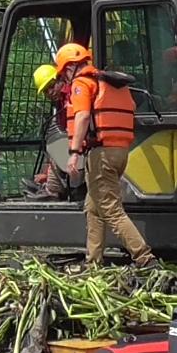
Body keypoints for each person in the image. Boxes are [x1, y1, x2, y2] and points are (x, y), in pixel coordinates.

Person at [57, 42, 157, 268]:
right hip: (119, 151)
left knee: (111, 210)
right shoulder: (111, 83)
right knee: (93, 208)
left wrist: (74, 152)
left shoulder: (82, 84)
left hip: (100, 153)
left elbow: (82, 117)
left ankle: (144, 257)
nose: (65, 79)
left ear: (69, 68)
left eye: (63, 74)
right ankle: (93, 263)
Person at [23, 64, 71, 201]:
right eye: (45, 91)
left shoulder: (72, 96)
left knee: (59, 146)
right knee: (56, 145)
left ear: (60, 78)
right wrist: (46, 173)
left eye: (51, 86)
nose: (49, 92)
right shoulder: (61, 105)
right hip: (75, 147)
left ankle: (52, 191)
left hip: (82, 146)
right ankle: (49, 184)